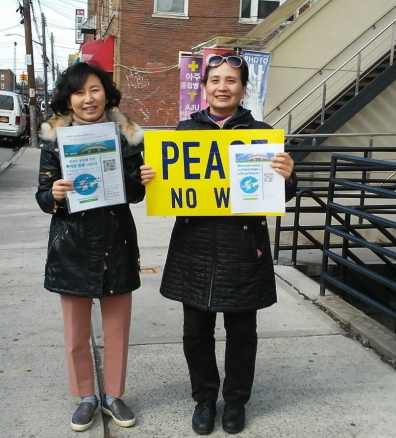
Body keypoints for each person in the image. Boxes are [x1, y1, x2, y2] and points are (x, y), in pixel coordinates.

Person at [140, 53, 297, 435]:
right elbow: (167, 186)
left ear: (243, 88)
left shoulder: (261, 134)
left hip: (243, 247)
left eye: (231, 80)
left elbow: (279, 194)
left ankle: (237, 401)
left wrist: (288, 178)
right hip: (193, 246)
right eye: (215, 80)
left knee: (242, 331)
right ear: (204, 87)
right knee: (196, 331)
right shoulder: (184, 132)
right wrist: (150, 176)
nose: (222, 87)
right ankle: (205, 399)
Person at [35, 62, 145, 432]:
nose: (88, 99)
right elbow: (42, 196)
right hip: (73, 247)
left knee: (117, 330)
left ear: (106, 94)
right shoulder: (54, 139)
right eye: (79, 92)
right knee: (75, 332)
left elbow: (135, 193)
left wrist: (141, 178)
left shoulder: (126, 136)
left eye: (95, 90)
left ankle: (113, 395)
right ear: (69, 99)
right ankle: (86, 396)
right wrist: (55, 193)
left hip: (116, 242)